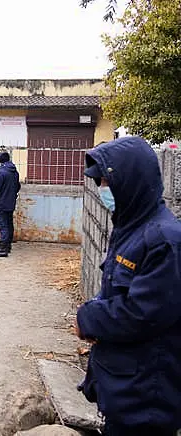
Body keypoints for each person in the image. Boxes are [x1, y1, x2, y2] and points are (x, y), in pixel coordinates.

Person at [76, 137, 181, 436]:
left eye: (108, 182)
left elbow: (142, 313)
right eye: (101, 183)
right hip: (124, 389)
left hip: (147, 400)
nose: (103, 190)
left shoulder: (165, 240)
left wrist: (89, 319)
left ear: (132, 181)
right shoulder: (130, 229)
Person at [0, 151, 20, 257]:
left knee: (3, 225)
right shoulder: (14, 171)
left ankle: (3, 248)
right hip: (10, 202)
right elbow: (18, 186)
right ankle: (7, 244)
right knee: (8, 223)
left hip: (1, 202)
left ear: (1, 160)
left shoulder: (2, 172)